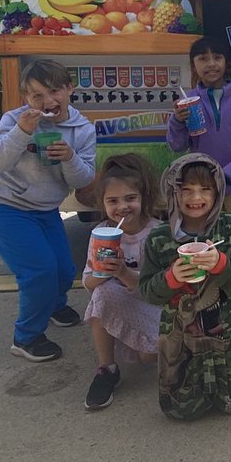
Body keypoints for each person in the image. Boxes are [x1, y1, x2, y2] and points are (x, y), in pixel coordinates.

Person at [0, 59, 95, 363]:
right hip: (5, 206)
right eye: (36, 95)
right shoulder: (15, 120)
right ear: (26, 99)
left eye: (55, 91)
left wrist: (69, 157)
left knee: (63, 270)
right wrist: (21, 132)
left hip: (45, 209)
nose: (47, 102)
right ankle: (26, 337)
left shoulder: (81, 129)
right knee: (39, 271)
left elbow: (84, 180)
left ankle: (54, 305)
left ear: (69, 88)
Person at [138, 153, 231, 421]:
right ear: (173, 192)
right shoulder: (159, 238)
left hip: (229, 332)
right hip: (182, 337)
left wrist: (221, 264)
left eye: (205, 189)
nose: (196, 198)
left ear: (218, 192)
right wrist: (171, 278)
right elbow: (147, 290)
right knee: (180, 411)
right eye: (187, 190)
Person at [167, 35, 231, 301]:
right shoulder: (188, 101)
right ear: (193, 65)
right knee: (203, 229)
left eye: (217, 57)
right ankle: (207, 279)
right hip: (200, 186)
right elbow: (177, 146)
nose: (211, 64)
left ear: (227, 62)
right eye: (203, 59)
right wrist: (177, 121)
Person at [81, 154, 163, 410]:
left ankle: (161, 347)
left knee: (148, 358)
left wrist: (124, 273)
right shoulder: (101, 235)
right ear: (103, 204)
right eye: (112, 201)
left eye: (130, 198)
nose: (122, 206)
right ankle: (107, 368)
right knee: (102, 293)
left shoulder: (158, 233)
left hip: (154, 304)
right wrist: (103, 273)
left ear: (143, 199)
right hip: (118, 299)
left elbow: (161, 288)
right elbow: (89, 284)